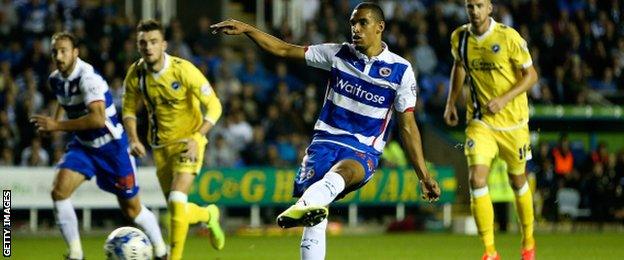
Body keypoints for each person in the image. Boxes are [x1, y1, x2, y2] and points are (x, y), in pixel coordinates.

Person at [211, 2, 441, 259]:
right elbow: (285, 50)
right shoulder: (336, 54)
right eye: (353, 22)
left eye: (362, 22)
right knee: (315, 219)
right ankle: (308, 205)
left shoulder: (401, 70)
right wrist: (247, 29)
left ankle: (304, 204)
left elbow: (408, 127)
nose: (355, 28)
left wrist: (423, 175)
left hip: (362, 149)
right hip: (323, 144)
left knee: (338, 175)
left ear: (380, 27)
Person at [30, 32, 167, 260]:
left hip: (112, 148)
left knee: (132, 210)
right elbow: (62, 102)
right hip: (84, 146)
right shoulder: (55, 78)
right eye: (55, 51)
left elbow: (97, 119)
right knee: (59, 192)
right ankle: (76, 254)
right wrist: (53, 123)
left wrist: (57, 125)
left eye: (64, 50)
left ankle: (162, 252)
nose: (59, 56)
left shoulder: (88, 78)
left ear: (75, 53)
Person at [121, 19, 224, 260]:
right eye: (143, 43)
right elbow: (127, 110)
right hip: (159, 148)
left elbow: (214, 106)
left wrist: (197, 137)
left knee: (177, 200)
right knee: (176, 209)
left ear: (163, 44)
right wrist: (133, 138)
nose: (148, 47)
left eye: (154, 42)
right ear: (138, 46)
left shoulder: (183, 69)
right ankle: (209, 215)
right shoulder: (136, 74)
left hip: (189, 142)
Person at [443, 0, 538, 259]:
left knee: (518, 181)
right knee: (476, 179)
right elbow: (459, 66)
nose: (474, 10)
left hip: (514, 123)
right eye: (470, 6)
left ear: (490, 9)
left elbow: (531, 76)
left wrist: (505, 99)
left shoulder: (508, 37)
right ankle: (489, 251)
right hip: (480, 120)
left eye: (479, 5)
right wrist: (451, 102)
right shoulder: (460, 37)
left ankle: (528, 242)